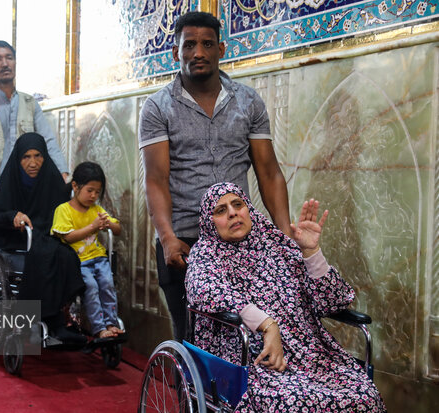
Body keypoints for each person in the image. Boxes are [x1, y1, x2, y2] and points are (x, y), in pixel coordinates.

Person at [138, 11, 290, 341]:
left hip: (241, 241)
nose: (198, 52)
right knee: (193, 340)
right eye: (189, 45)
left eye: (207, 44)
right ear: (175, 52)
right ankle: (191, 394)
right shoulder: (158, 107)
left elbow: (269, 172)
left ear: (221, 49)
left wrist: (284, 235)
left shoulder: (248, 101)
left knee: (249, 336)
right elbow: (156, 179)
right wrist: (167, 237)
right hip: (184, 243)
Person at [185, 182, 386, 412]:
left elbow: (334, 300)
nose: (232, 212)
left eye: (237, 204)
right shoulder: (206, 254)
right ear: (210, 223)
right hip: (252, 359)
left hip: (311, 355)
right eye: (220, 210)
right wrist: (267, 325)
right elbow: (206, 289)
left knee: (364, 395)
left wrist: (311, 251)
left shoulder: (277, 245)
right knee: (292, 403)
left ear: (248, 209)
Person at [0, 40, 69, 262]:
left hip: (17, 193)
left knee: (18, 254)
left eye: (9, 57)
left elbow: (48, 141)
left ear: (15, 62)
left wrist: (63, 173)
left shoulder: (30, 103)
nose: (4, 63)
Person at [0, 133, 85, 343]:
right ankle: (49, 321)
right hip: (15, 243)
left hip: (45, 238)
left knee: (64, 255)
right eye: (26, 157)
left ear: (45, 157)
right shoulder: (10, 182)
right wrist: (13, 217)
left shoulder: (52, 180)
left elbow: (62, 212)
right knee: (47, 255)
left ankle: (57, 320)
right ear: (18, 159)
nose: (33, 162)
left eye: (38, 156)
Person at [51, 162, 124, 339]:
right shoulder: (64, 210)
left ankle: (111, 323)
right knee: (91, 287)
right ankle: (98, 327)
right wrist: (92, 227)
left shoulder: (96, 210)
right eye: (89, 190)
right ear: (75, 186)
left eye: (97, 192)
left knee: (107, 284)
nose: (93, 196)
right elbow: (68, 237)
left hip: (99, 258)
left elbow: (118, 229)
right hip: (79, 261)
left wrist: (109, 224)